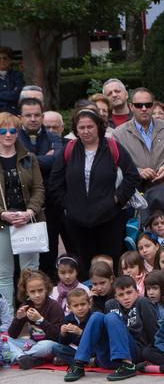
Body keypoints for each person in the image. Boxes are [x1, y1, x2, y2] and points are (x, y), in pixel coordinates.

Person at [48, 109, 139, 262]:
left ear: (98, 127)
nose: (86, 131)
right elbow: (55, 182)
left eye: (90, 127)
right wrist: (67, 204)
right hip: (77, 221)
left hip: (109, 218)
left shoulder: (112, 147)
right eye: (81, 128)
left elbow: (132, 176)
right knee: (83, 265)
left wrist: (117, 199)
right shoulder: (69, 150)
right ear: (76, 130)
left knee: (109, 263)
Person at [0, 113, 45, 311]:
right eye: (3, 130)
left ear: (18, 133)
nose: (8, 134)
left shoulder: (29, 158)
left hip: (28, 222)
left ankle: (34, 317)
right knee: (4, 275)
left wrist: (29, 212)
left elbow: (39, 189)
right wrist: (2, 213)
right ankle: (8, 321)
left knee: (30, 274)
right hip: (2, 223)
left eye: (12, 130)